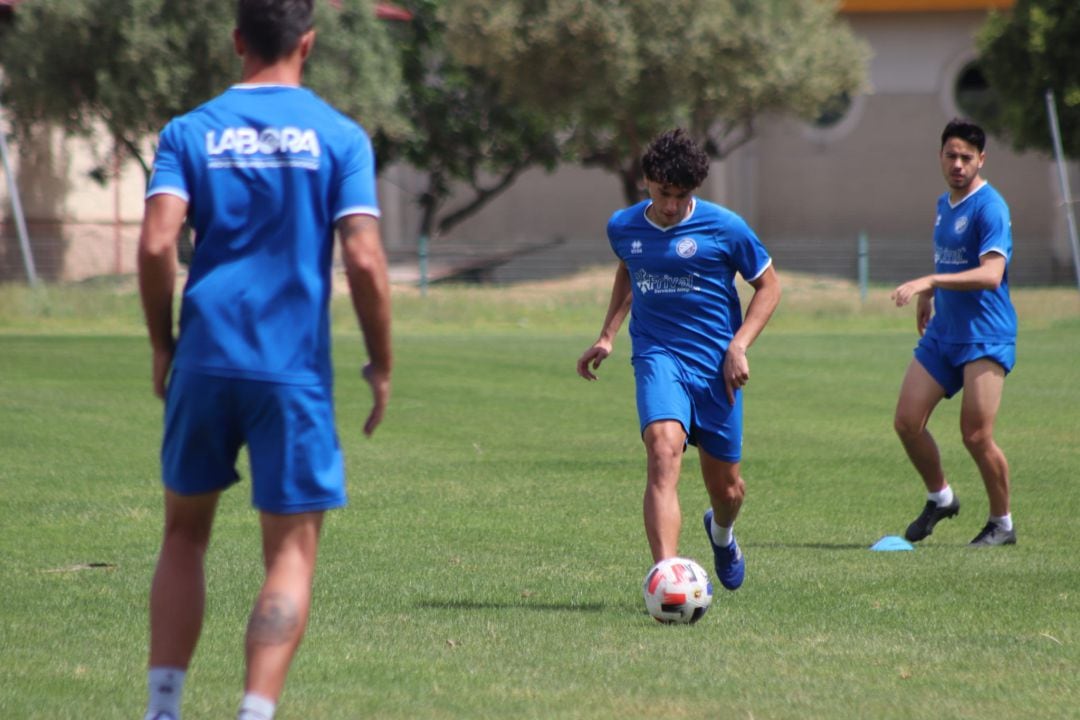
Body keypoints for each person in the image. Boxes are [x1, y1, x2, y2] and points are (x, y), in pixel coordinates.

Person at [137, 1, 392, 718]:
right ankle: (255, 710)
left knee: (183, 535)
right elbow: (366, 258)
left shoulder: (188, 132)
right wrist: (381, 363)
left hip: (205, 357)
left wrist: (163, 344)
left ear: (236, 41)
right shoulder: (340, 137)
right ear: (307, 44)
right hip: (293, 371)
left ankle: (163, 708)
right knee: (289, 554)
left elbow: (158, 243)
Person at [576, 128, 781, 592]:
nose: (671, 205)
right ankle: (667, 580)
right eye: (664, 193)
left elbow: (769, 286)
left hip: (715, 367)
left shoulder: (726, 227)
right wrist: (608, 335)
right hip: (657, 355)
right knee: (663, 452)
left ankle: (722, 534)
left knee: (727, 489)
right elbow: (630, 267)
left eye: (681, 196)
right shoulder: (622, 226)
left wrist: (739, 345)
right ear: (647, 181)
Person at [891, 118, 1017, 548]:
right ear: (941, 157)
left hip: (985, 335)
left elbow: (990, 274)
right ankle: (940, 497)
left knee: (976, 435)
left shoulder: (990, 207)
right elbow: (948, 257)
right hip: (945, 332)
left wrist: (929, 283)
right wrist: (930, 298)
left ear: (982, 159)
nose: (958, 164)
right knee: (907, 422)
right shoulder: (945, 204)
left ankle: (1002, 523)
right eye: (951, 155)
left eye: (967, 157)